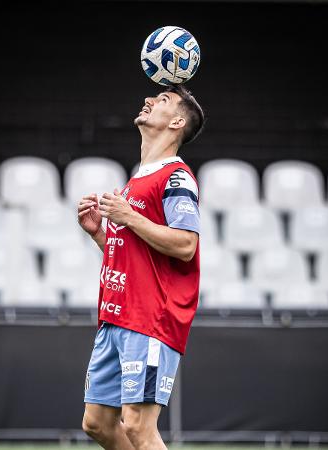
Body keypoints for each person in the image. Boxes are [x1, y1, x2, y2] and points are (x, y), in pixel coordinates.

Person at [77, 84, 204, 450]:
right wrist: (100, 234)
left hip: (149, 319)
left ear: (177, 121)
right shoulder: (138, 180)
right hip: (116, 316)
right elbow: (136, 256)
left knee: (137, 426)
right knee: (98, 423)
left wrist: (128, 217)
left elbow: (186, 244)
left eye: (162, 100)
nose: (148, 100)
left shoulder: (175, 177)